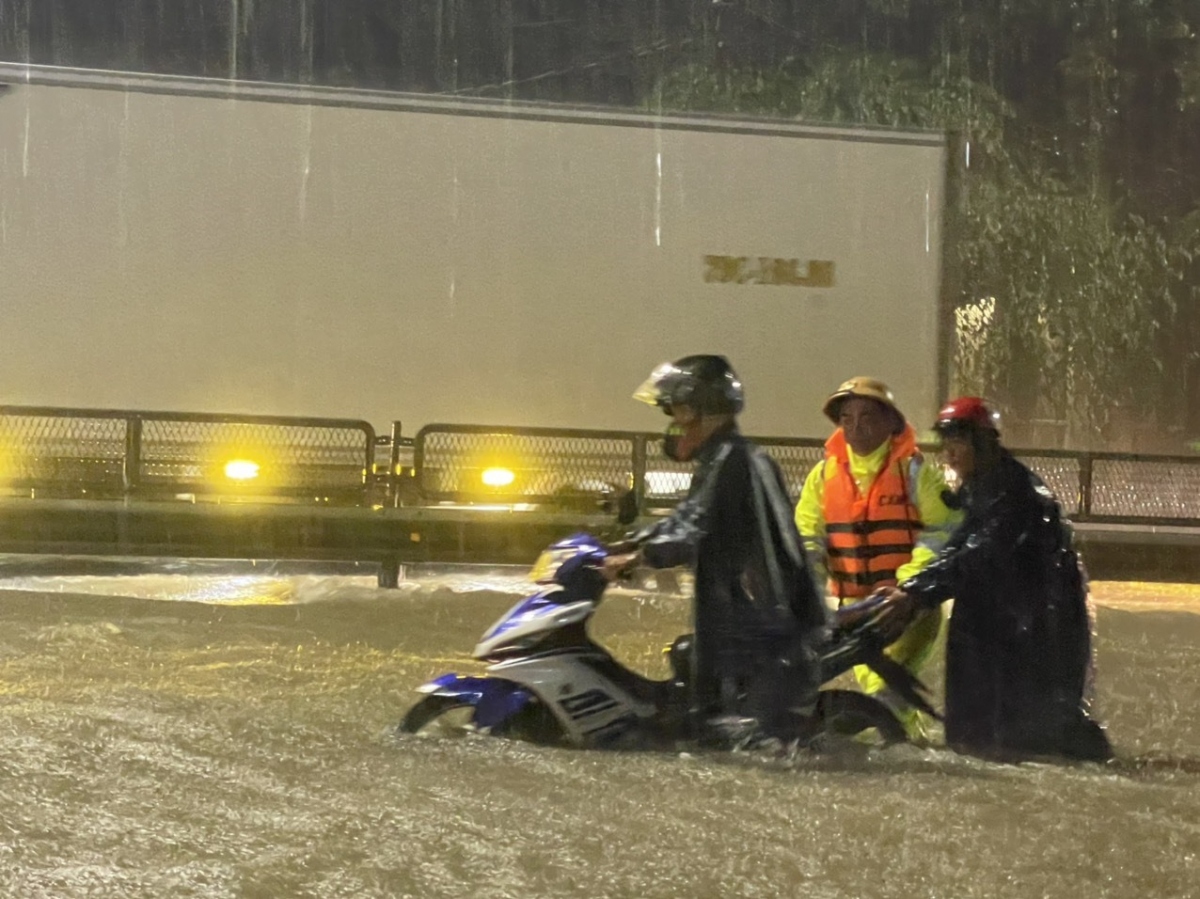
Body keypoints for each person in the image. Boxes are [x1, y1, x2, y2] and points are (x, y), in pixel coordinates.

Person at [871, 397, 1113, 762]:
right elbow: (960, 548)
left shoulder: (1016, 494)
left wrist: (915, 594)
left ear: (983, 443)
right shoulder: (985, 485)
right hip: (999, 619)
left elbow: (977, 555)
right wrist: (913, 589)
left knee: (1032, 729)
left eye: (958, 443)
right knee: (981, 729)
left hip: (1033, 625)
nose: (950, 454)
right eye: (947, 444)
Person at [605, 355, 828, 745]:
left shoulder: (737, 461)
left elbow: (697, 526)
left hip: (768, 633)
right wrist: (633, 542)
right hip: (742, 623)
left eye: (677, 413)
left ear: (701, 410)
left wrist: (641, 556)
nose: (672, 427)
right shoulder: (722, 460)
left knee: (751, 751)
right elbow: (688, 516)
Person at [794, 377, 959, 741]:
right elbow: (808, 536)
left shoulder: (916, 474)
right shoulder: (822, 477)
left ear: (891, 423)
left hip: (906, 609)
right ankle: (915, 755)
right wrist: (805, 587)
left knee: (885, 700)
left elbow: (943, 532)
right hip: (852, 613)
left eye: (868, 417)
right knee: (890, 704)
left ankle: (879, 757)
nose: (856, 427)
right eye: (847, 418)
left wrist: (909, 585)